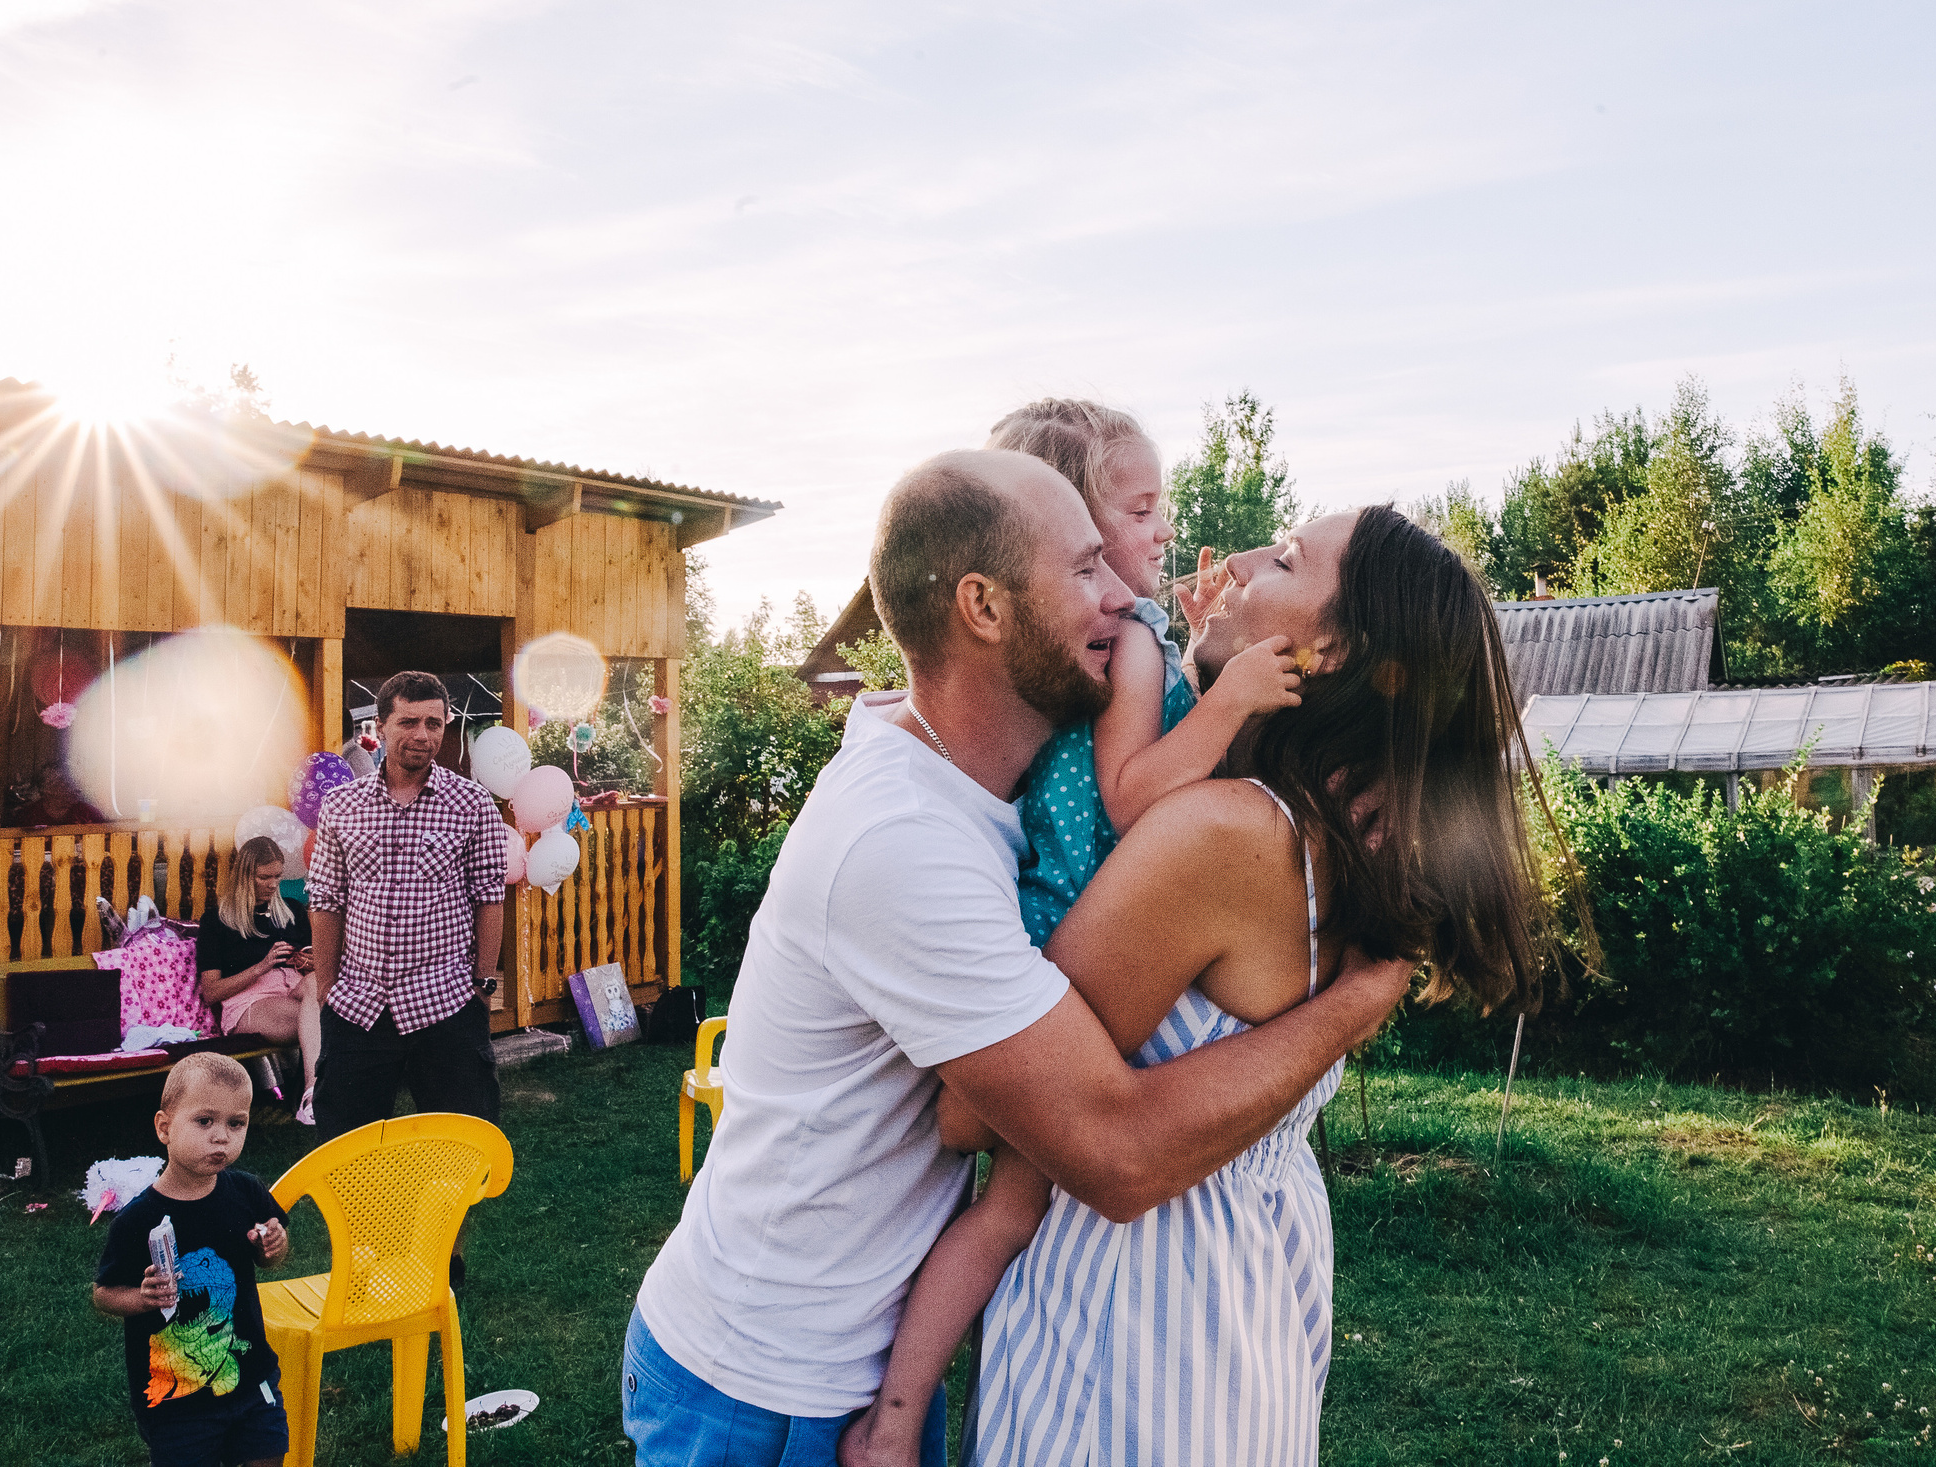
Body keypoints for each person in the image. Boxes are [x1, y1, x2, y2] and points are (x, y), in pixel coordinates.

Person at [623, 450, 1415, 1467]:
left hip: (856, 1352)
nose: (1124, 595)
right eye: (1086, 569)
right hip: (765, 1381)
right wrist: (1358, 1002)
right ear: (983, 608)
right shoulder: (903, 841)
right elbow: (1109, 1149)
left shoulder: (990, 798)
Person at [841, 505, 1547, 1467]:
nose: (1246, 559)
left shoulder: (1221, 833)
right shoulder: (1341, 842)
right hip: (1256, 1284)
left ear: (1329, 648)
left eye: (1288, 559)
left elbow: (972, 1115)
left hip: (1136, 1320)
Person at [982, 398, 1307, 948]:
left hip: (1056, 909)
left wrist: (1198, 656)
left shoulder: (1107, 639)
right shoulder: (1131, 636)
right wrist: (1231, 698)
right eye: (1140, 512)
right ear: (1070, 524)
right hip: (1090, 920)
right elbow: (1131, 802)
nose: (1166, 531)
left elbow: (1147, 730)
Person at [306, 670, 510, 1149]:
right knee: (347, 1153)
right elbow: (326, 900)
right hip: (358, 1006)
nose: (423, 735)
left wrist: (480, 985)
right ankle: (363, 1225)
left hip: (445, 1003)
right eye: (409, 722)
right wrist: (327, 990)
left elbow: (489, 898)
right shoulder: (341, 806)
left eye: (434, 724)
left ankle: (444, 1227)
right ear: (379, 726)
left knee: (461, 1150)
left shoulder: (473, 804)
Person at [90, 1051, 294, 1467]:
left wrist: (274, 1246)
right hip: (177, 1398)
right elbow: (103, 1294)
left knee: (268, 1456)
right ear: (165, 1127)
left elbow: (271, 1259)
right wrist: (143, 1298)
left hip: (250, 1373)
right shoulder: (138, 1220)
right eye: (205, 1121)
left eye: (236, 1123)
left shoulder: (245, 1192)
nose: (222, 1137)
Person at [199, 835, 321, 1125]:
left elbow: (311, 964)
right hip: (250, 1001)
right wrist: (262, 965)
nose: (272, 884)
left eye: (277, 876)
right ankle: (315, 1095)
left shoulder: (290, 910)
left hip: (295, 988)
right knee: (329, 1019)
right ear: (245, 875)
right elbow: (211, 992)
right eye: (264, 877)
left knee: (319, 982)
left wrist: (309, 961)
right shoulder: (217, 920)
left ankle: (312, 1092)